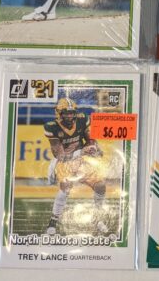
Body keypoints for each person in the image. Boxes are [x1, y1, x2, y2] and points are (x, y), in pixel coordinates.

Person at [44, 98, 107, 235]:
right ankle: (53, 221)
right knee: (65, 187)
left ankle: (98, 218)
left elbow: (90, 139)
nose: (70, 116)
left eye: (72, 113)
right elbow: (60, 155)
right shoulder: (51, 127)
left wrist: (93, 146)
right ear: (59, 113)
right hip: (65, 162)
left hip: (81, 160)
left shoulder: (82, 119)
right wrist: (81, 151)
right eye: (66, 113)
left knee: (100, 185)